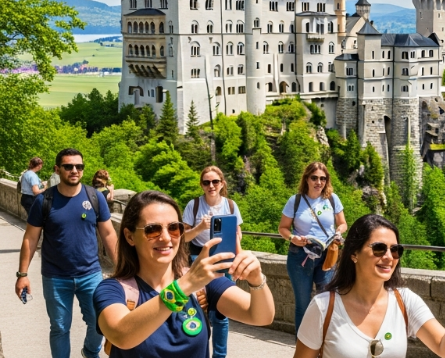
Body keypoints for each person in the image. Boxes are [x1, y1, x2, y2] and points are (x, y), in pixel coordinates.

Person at [94, 190, 275, 357]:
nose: (166, 237)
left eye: (174, 228)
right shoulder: (113, 290)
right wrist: (184, 287)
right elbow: (122, 336)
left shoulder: (202, 284)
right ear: (130, 236)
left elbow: (261, 316)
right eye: (153, 230)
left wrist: (256, 280)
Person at [294, 214, 445, 358]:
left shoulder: (405, 301)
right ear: (354, 254)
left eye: (395, 250)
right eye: (379, 249)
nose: (389, 257)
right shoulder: (324, 307)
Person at [15, 148, 119, 358]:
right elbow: (30, 238)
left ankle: (90, 352)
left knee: (100, 322)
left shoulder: (94, 197)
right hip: (55, 277)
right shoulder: (44, 200)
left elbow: (108, 234)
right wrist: (22, 275)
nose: (74, 170)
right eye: (68, 166)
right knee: (60, 328)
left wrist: (122, 269)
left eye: (79, 166)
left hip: (90, 275)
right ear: (57, 169)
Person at [182, 166, 243, 358]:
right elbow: (183, 237)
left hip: (224, 258)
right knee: (199, 309)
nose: (211, 186)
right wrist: (200, 227)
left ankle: (219, 355)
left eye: (215, 182)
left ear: (222, 183)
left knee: (221, 313)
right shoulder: (194, 205)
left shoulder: (230, 206)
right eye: (207, 182)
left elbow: (237, 234)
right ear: (201, 185)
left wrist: (237, 259)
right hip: (198, 258)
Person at [279, 162, 347, 334]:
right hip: (300, 256)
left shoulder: (332, 199)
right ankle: (302, 348)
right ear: (307, 179)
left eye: (323, 178)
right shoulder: (295, 201)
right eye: (314, 178)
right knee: (303, 305)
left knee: (326, 303)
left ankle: (323, 346)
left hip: (327, 255)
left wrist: (338, 232)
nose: (319, 182)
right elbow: (283, 228)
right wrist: (293, 238)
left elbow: (343, 223)